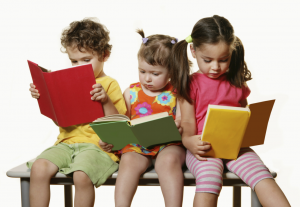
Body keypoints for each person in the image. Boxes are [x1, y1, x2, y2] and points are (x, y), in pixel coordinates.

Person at [170, 15, 290, 207]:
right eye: (207, 60)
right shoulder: (189, 84)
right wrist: (190, 142)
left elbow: (244, 114)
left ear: (231, 53)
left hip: (236, 148)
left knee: (262, 176)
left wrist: (251, 128)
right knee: (210, 178)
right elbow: (187, 126)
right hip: (203, 148)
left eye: (223, 60)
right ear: (193, 50)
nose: (216, 67)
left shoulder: (236, 82)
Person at [28, 18, 127, 207]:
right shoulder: (68, 81)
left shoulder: (109, 84)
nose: (79, 66)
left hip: (97, 147)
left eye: (86, 60)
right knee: (39, 168)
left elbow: (119, 125)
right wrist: (44, 96)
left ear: (105, 55)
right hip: (66, 144)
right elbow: (62, 121)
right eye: (74, 61)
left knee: (81, 175)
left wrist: (105, 100)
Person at [100, 30, 185, 207]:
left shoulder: (177, 93)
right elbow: (122, 123)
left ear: (171, 71)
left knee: (169, 161)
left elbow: (183, 121)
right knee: (128, 160)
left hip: (168, 144)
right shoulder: (131, 92)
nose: (147, 78)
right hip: (139, 146)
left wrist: (178, 126)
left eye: (155, 73)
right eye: (142, 71)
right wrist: (110, 139)